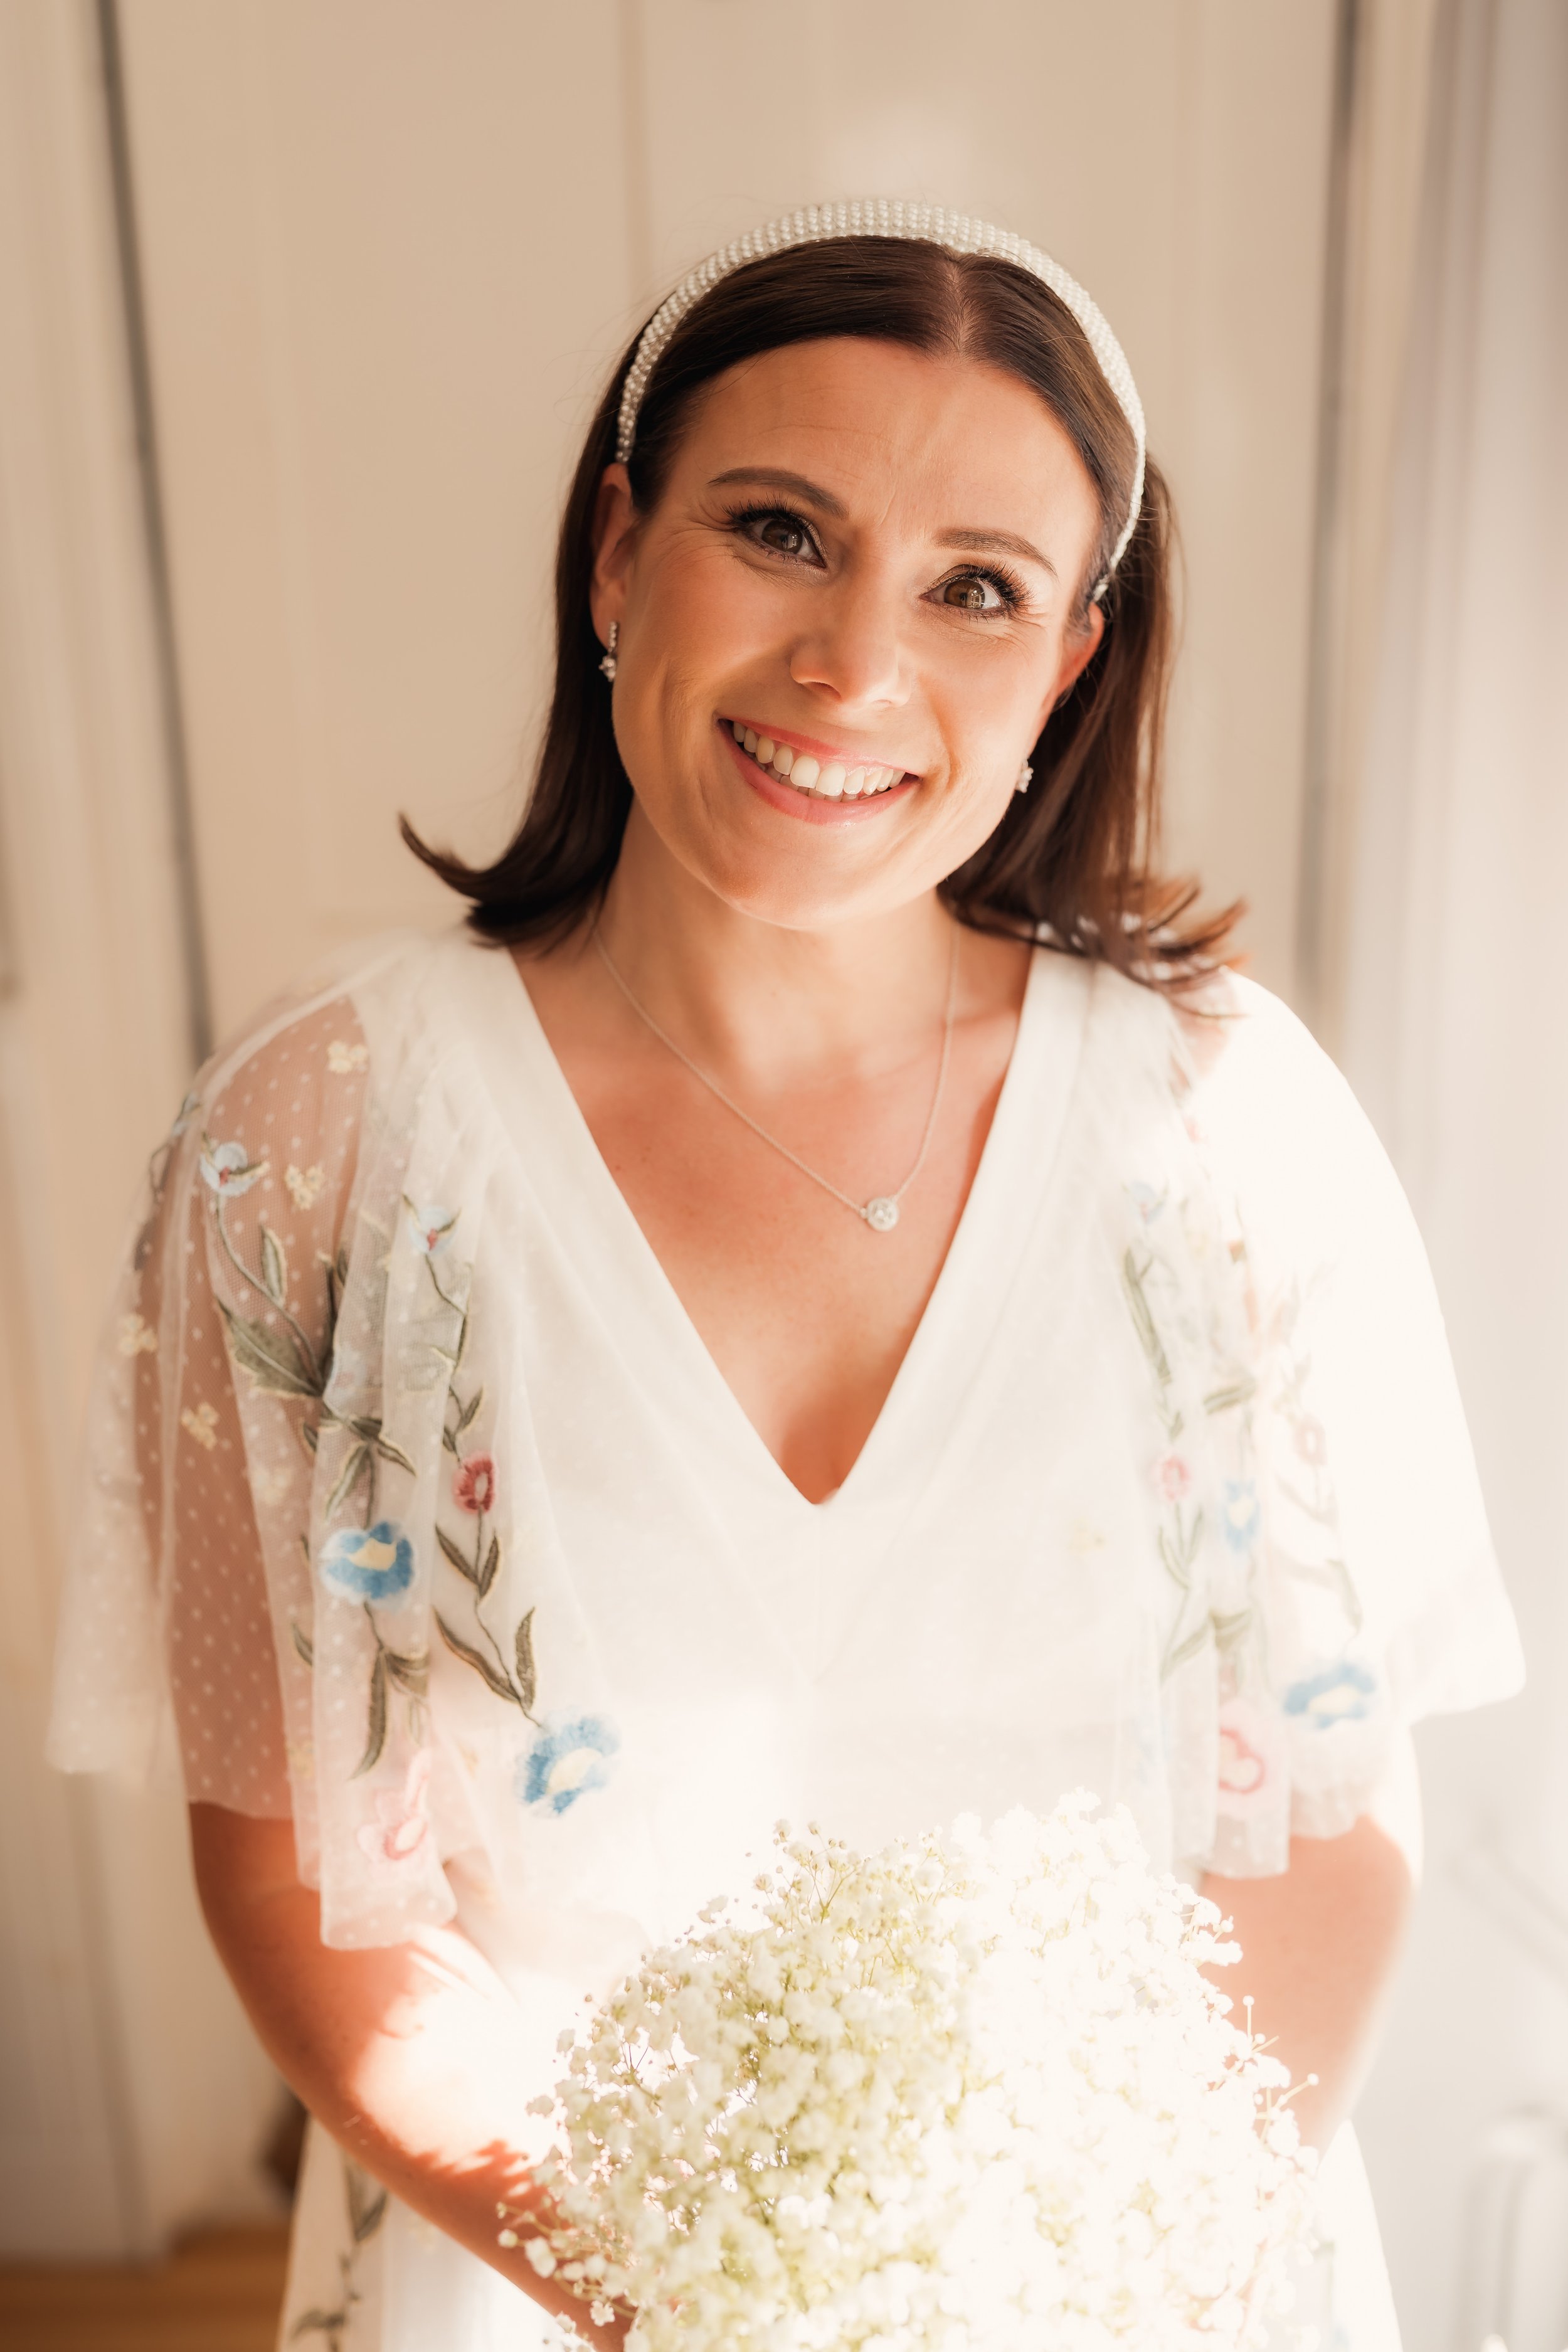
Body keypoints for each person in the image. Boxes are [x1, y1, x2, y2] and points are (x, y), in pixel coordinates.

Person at [49, 202, 1521, 2349]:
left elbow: (1321, 1820)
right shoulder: (314, 1143)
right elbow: (300, 1878)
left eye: (976, 589)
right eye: (779, 530)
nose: (854, 667)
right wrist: (691, 2291)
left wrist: (1109, 2270)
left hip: (1154, 2283)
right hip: (554, 2285)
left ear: (1067, 667)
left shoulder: (1224, 1134)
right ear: (617, 556)